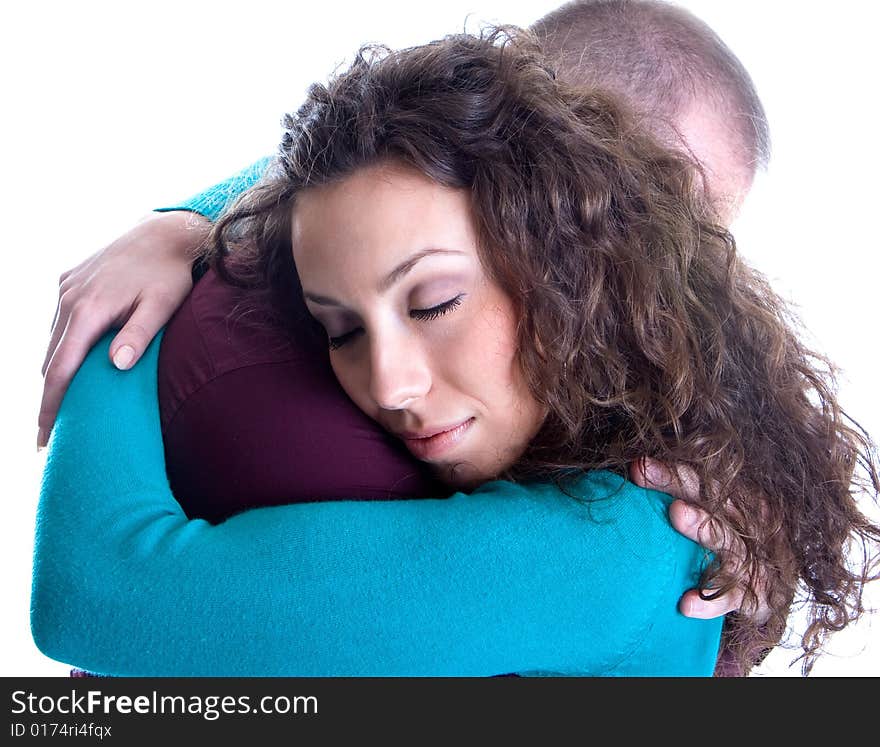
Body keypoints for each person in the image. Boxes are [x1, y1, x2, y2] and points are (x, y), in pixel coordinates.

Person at [31, 27, 880, 677]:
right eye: (344, 328)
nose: (390, 386)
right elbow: (352, 198)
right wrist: (178, 226)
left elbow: (95, 592)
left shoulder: (628, 531)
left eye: (693, 243)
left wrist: (117, 339)